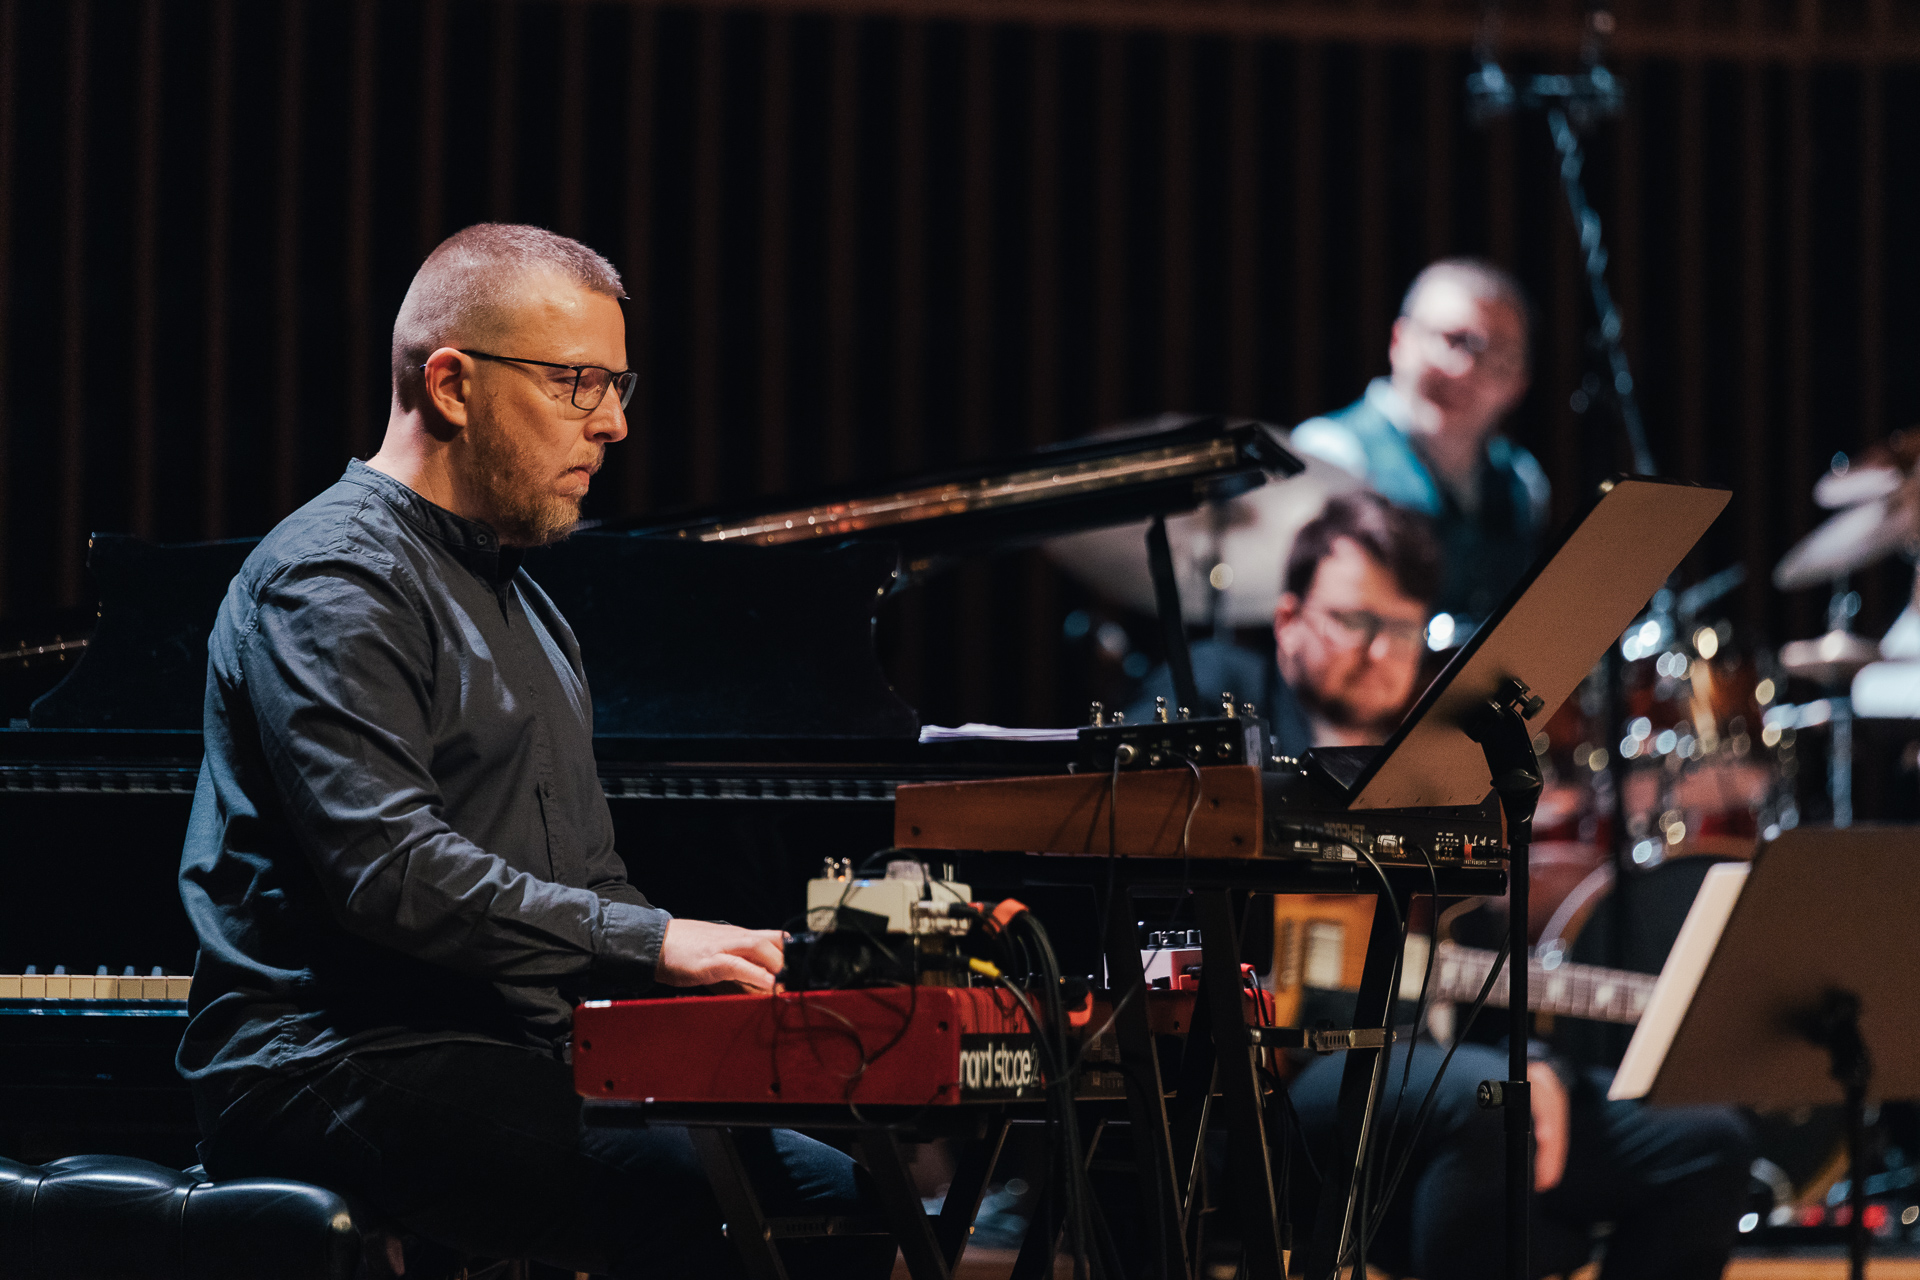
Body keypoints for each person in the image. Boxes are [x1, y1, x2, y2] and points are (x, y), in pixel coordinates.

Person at [176, 224, 892, 1280]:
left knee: (853, 1201)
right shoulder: (333, 579)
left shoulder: (532, 609)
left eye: (618, 384)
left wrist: (750, 986)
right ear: (452, 385)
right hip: (333, 1059)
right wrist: (657, 941)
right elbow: (391, 872)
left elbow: (588, 880)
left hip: (502, 1049)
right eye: (578, 382)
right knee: (719, 1203)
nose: (615, 422)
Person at [1292, 257, 1550, 627]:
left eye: (1496, 353)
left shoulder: (1523, 481)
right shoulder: (1330, 452)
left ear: (1519, 384)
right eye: (1452, 340)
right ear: (1399, 341)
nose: (1465, 369)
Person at [1125, 491, 1439, 757]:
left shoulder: (1418, 762)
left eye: (1404, 630)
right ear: (1288, 622)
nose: (1380, 652)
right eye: (1355, 621)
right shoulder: (1210, 684)